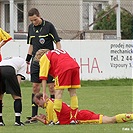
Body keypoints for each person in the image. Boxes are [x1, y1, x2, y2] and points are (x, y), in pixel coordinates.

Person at [25, 8, 61, 123]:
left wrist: (58, 54)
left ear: (39, 16)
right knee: (35, 87)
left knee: (51, 87)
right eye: (32, 21)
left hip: (49, 61)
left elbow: (57, 42)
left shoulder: (49, 26)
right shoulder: (30, 28)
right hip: (36, 61)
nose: (34, 22)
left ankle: (54, 113)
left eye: (35, 20)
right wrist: (28, 58)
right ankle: (34, 116)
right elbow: (31, 44)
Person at [34, 48, 80, 124]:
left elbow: (43, 77)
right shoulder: (59, 51)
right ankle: (73, 118)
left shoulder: (44, 57)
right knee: (73, 93)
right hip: (75, 66)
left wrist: (44, 92)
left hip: (63, 68)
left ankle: (56, 120)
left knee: (58, 93)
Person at [31, 93, 133, 125]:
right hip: (81, 114)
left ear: (41, 98)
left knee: (111, 120)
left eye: (38, 103)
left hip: (82, 117)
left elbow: (49, 123)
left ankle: (131, 116)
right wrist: (44, 117)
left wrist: (37, 118)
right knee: (110, 119)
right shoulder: (52, 101)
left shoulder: (49, 104)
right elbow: (55, 118)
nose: (38, 105)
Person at [0, 57, 27, 126]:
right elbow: (19, 77)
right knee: (17, 97)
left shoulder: (5, 60)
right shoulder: (23, 62)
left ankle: (0, 121)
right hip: (9, 70)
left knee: (0, 97)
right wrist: (16, 90)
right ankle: (17, 121)